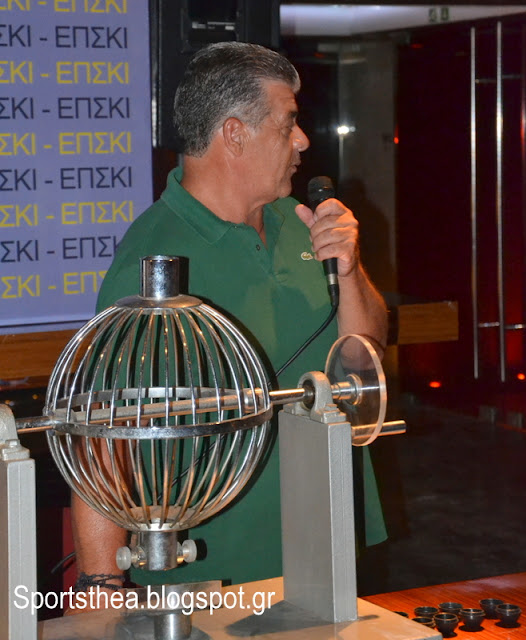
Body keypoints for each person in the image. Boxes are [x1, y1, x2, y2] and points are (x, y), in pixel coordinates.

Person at [70, 41, 388, 601]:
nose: (302, 141)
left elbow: (368, 349)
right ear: (235, 134)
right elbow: (101, 435)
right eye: (288, 124)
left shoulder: (302, 220)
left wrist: (350, 267)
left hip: (331, 535)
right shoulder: (155, 255)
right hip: (216, 567)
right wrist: (100, 586)